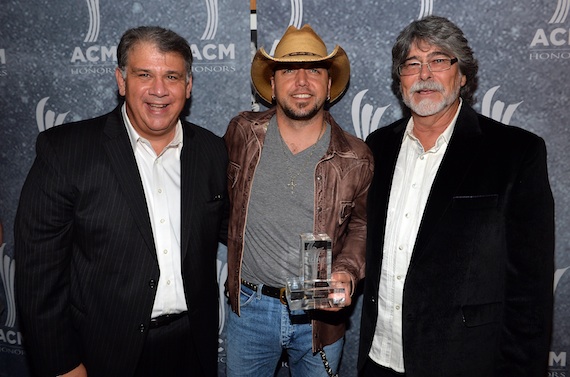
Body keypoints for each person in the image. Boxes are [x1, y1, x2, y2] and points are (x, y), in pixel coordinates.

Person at [14, 26, 228, 377]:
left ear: (188, 87)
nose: (159, 90)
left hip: (192, 347)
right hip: (101, 353)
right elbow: (38, 275)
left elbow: (236, 228)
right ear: (121, 80)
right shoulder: (66, 151)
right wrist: (63, 364)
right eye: (144, 74)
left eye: (172, 76)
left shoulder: (211, 151)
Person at [358, 15, 555, 377]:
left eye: (439, 60)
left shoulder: (515, 153)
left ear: (463, 76)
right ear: (399, 80)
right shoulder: (377, 147)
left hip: (466, 362)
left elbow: (530, 290)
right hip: (380, 358)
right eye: (411, 64)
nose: (424, 74)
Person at [223, 25, 373, 377]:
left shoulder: (356, 156)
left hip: (321, 319)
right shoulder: (242, 134)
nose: (302, 81)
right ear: (272, 85)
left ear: (330, 84)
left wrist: (347, 272)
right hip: (250, 308)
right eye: (289, 70)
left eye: (314, 70)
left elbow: (363, 226)